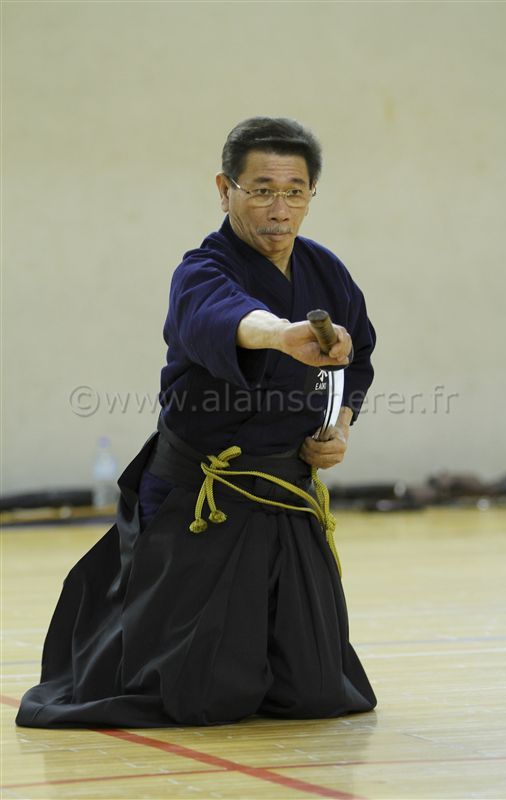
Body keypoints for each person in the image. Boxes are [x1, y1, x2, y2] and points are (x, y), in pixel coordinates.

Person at [16, 117, 377, 728]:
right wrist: (281, 335)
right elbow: (225, 317)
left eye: (295, 192)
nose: (280, 209)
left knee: (317, 694)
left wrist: (339, 424)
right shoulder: (203, 271)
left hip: (287, 498)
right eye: (261, 190)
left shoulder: (326, 271)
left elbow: (356, 357)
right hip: (203, 502)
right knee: (202, 696)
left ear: (312, 194)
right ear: (224, 189)